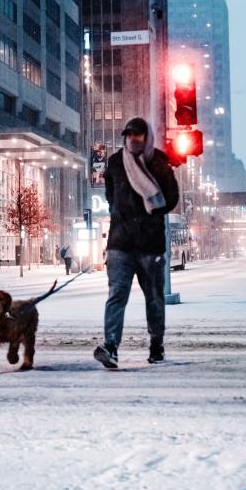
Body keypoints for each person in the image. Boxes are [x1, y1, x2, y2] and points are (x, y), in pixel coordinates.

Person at [93, 117, 179, 370]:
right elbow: (111, 195)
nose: (133, 139)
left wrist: (148, 215)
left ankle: (156, 344)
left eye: (138, 135)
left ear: (146, 137)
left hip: (149, 244)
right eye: (129, 135)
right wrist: (121, 215)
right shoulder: (116, 163)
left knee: (153, 296)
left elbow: (171, 198)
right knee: (116, 294)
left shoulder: (159, 162)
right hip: (120, 242)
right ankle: (110, 346)